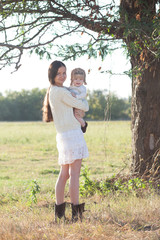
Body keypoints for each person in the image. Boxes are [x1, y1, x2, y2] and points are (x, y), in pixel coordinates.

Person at [42, 61, 89, 223]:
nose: (62, 76)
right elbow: (83, 106)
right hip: (72, 135)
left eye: (64, 73)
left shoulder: (54, 91)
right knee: (73, 174)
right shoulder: (61, 92)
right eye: (58, 73)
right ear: (52, 75)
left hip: (63, 136)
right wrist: (84, 102)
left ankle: (60, 214)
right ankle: (76, 214)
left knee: (65, 175)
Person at [69, 68, 88, 133]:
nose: (78, 81)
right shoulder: (72, 86)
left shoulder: (82, 88)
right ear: (72, 79)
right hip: (74, 103)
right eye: (76, 79)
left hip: (79, 104)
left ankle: (83, 124)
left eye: (80, 79)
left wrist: (77, 96)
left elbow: (83, 95)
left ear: (83, 80)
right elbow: (68, 90)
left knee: (77, 115)